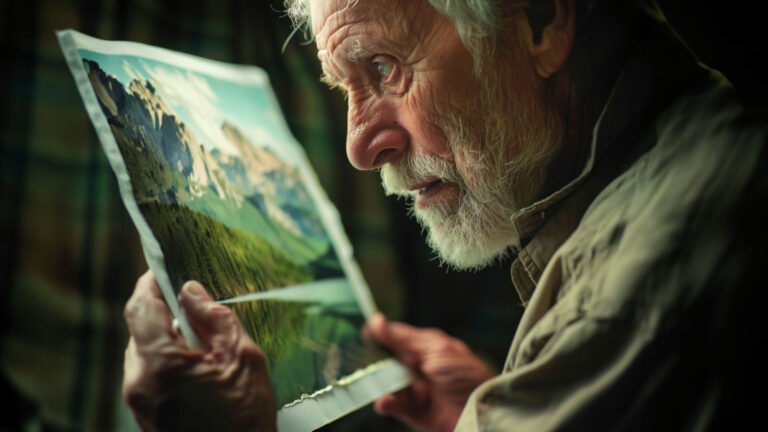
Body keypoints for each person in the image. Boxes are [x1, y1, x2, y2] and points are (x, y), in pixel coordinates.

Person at [122, 0, 767, 430]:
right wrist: (502, 408)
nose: (359, 146)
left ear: (541, 20)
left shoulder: (636, 282)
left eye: (383, 66)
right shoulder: (690, 148)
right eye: (342, 86)